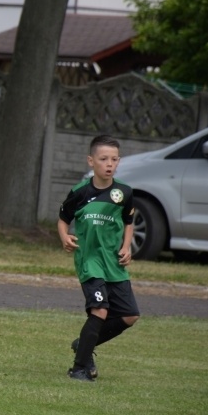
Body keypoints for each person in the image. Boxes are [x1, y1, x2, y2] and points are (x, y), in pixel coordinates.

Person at [58, 134, 141, 382]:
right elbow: (63, 219)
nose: (109, 164)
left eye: (114, 159)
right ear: (91, 161)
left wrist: (127, 247)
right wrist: (64, 236)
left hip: (113, 263)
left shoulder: (124, 193)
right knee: (100, 310)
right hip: (90, 261)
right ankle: (79, 368)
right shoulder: (80, 193)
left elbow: (128, 222)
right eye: (103, 159)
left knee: (129, 316)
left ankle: (84, 343)